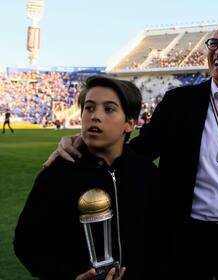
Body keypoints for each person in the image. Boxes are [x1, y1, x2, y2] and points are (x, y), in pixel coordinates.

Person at [43, 25, 218, 280]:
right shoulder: (179, 102)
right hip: (186, 237)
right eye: (213, 44)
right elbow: (138, 152)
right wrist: (88, 145)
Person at [14, 76, 160, 280]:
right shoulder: (58, 173)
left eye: (109, 109)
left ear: (129, 124)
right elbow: (27, 242)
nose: (95, 116)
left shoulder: (147, 174)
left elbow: (162, 241)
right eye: (89, 108)